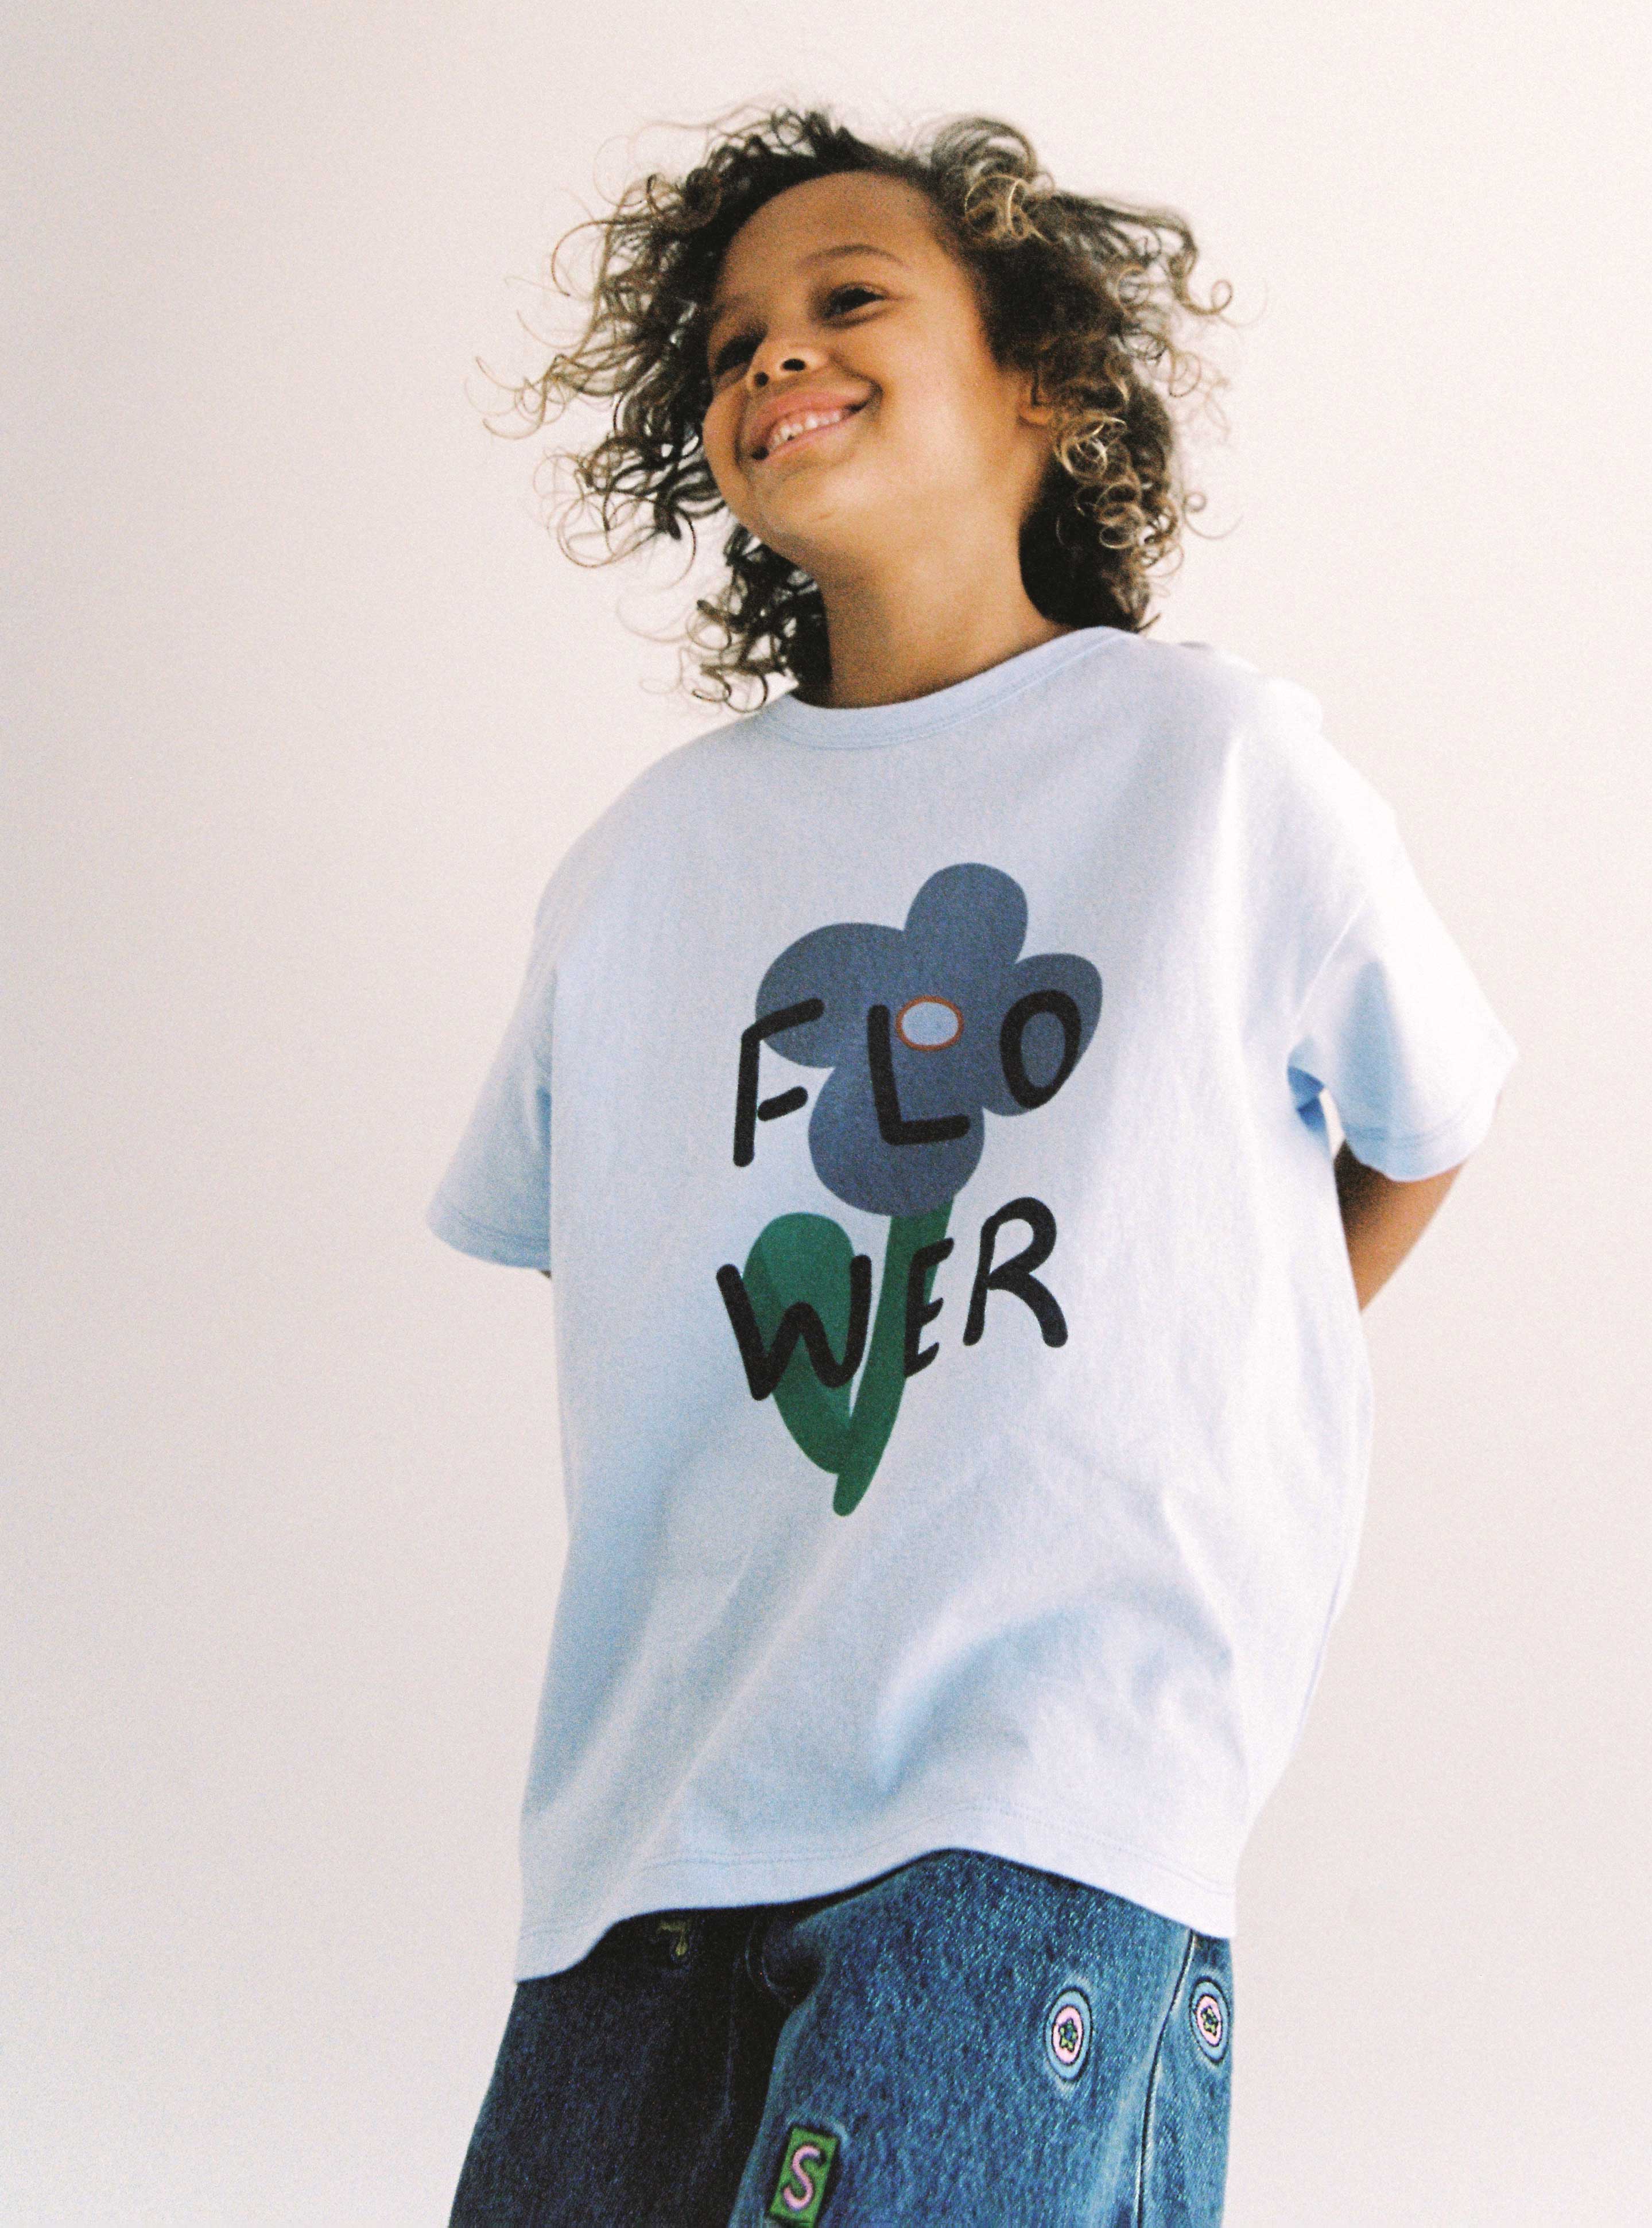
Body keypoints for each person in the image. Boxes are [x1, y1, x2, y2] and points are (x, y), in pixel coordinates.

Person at [428, 108, 1517, 2227]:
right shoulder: (644, 869)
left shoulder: (1207, 771)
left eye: (849, 302)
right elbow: (630, 1259)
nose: (774, 358)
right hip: (656, 1817)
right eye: (732, 340)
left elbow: (1423, 1126)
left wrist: (1169, 1360)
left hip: (1049, 1769)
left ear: (1043, 381)